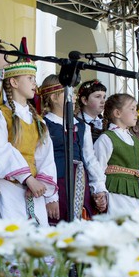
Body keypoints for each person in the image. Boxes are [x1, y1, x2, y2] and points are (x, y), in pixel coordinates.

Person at [0, 61, 58, 227]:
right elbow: (0, 150)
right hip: (10, 186)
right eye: (30, 78)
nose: (34, 83)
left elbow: (46, 157)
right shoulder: (2, 115)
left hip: (34, 189)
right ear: (14, 82)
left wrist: (42, 185)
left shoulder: (38, 121)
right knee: (14, 233)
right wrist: (27, 178)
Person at [40, 74, 106, 221]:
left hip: (81, 183)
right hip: (57, 182)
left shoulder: (82, 127)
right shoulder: (44, 125)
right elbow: (42, 161)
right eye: (70, 92)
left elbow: (89, 158)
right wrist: (50, 197)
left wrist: (98, 187)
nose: (75, 97)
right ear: (54, 97)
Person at [94, 93, 139, 214]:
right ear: (117, 113)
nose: (137, 113)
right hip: (115, 195)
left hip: (136, 196)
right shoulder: (106, 138)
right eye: (132, 109)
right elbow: (97, 170)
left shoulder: (137, 142)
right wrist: (99, 192)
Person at [75, 79, 106, 143]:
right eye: (98, 96)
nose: (103, 101)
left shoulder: (106, 123)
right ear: (85, 100)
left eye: (104, 97)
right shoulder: (76, 124)